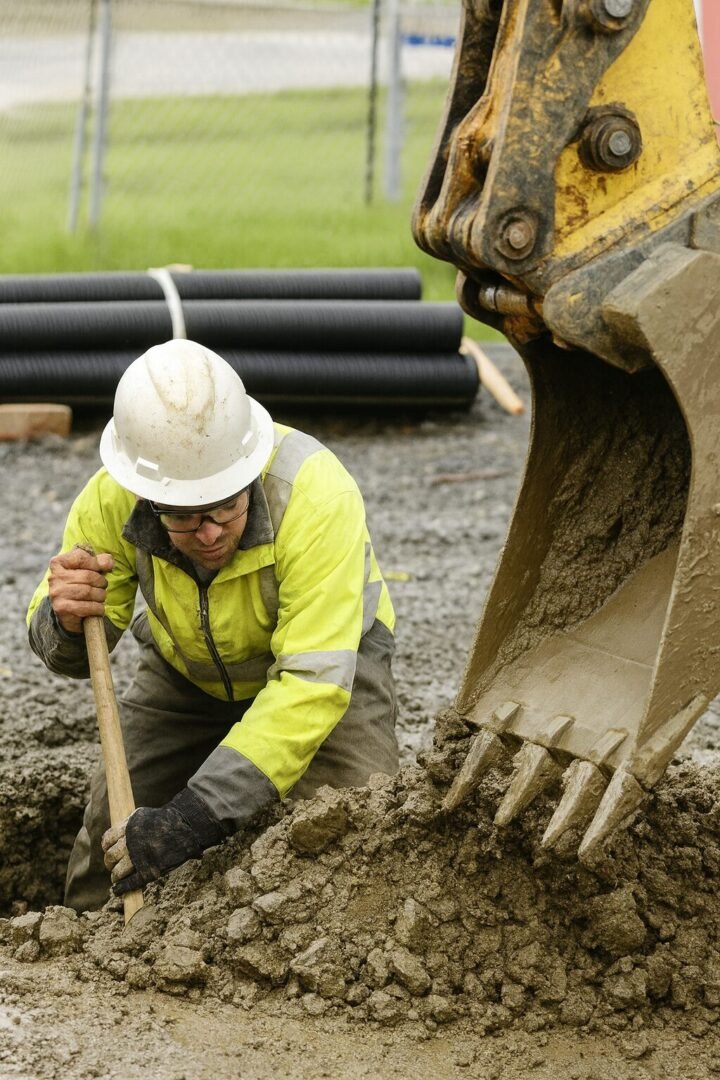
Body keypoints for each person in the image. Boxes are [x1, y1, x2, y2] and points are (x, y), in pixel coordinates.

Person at [27, 339, 398, 912]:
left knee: (354, 834)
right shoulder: (113, 497)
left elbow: (311, 683)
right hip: (185, 672)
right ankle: (81, 943)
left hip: (329, 670)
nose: (209, 533)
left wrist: (194, 816)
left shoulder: (315, 496)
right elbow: (70, 653)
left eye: (226, 505)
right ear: (147, 497)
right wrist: (65, 620)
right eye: (183, 516)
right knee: (111, 832)